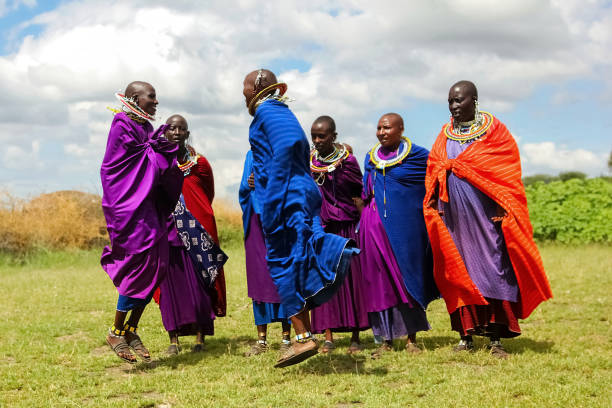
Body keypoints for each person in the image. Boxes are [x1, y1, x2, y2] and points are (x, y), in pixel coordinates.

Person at [424, 80, 553, 358]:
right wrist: (436, 198)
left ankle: (496, 337)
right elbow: (434, 166)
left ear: (475, 100)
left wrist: (503, 206)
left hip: (486, 215)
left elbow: (505, 172)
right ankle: (466, 336)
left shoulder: (494, 132)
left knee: (494, 268)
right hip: (455, 216)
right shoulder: (444, 135)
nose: (454, 106)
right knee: (459, 271)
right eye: (450, 101)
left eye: (459, 100)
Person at [242, 69, 358, 368]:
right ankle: (303, 335)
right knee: (293, 260)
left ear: (258, 86)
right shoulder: (278, 110)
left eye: (244, 87)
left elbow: (291, 145)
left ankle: (305, 336)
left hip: (286, 199)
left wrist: (273, 194)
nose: (242, 94)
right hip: (295, 194)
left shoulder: (268, 110)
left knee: (280, 264)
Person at [101, 81, 182, 363]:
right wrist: (159, 150)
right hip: (128, 210)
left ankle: (131, 329)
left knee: (156, 265)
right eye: (152, 96)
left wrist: (162, 148)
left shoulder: (145, 127)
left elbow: (152, 158)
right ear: (135, 98)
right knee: (137, 269)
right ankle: (115, 331)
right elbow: (125, 167)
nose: (156, 102)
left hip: (148, 208)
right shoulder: (122, 124)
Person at [359, 113, 439, 358]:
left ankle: (411, 338)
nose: (381, 132)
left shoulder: (418, 155)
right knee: (380, 285)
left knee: (407, 280)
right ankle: (385, 339)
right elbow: (365, 192)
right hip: (374, 230)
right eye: (379, 128)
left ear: (401, 129)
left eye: (387, 128)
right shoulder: (371, 158)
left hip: (407, 230)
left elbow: (435, 180)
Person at [156, 114, 228, 354]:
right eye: (172, 129)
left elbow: (207, 194)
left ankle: (200, 337)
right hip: (167, 232)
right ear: (164, 133)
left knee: (200, 285)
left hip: (197, 233)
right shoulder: (156, 163)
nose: (176, 133)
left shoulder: (200, 164)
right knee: (171, 288)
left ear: (187, 134)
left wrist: (195, 216)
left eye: (181, 129)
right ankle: (173, 340)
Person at [309, 116, 369, 354]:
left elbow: (360, 192)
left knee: (352, 281)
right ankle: (328, 336)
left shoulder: (349, 162)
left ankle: (355, 336)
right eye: (313, 136)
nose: (316, 140)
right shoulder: (310, 162)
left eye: (321, 136)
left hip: (346, 228)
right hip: (323, 230)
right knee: (324, 281)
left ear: (334, 136)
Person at [239, 150, 292, 356]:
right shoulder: (251, 154)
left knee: (283, 278)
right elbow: (243, 190)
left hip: (281, 224)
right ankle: (261, 339)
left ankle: (287, 337)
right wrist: (248, 185)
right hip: (256, 223)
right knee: (259, 279)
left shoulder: (286, 153)